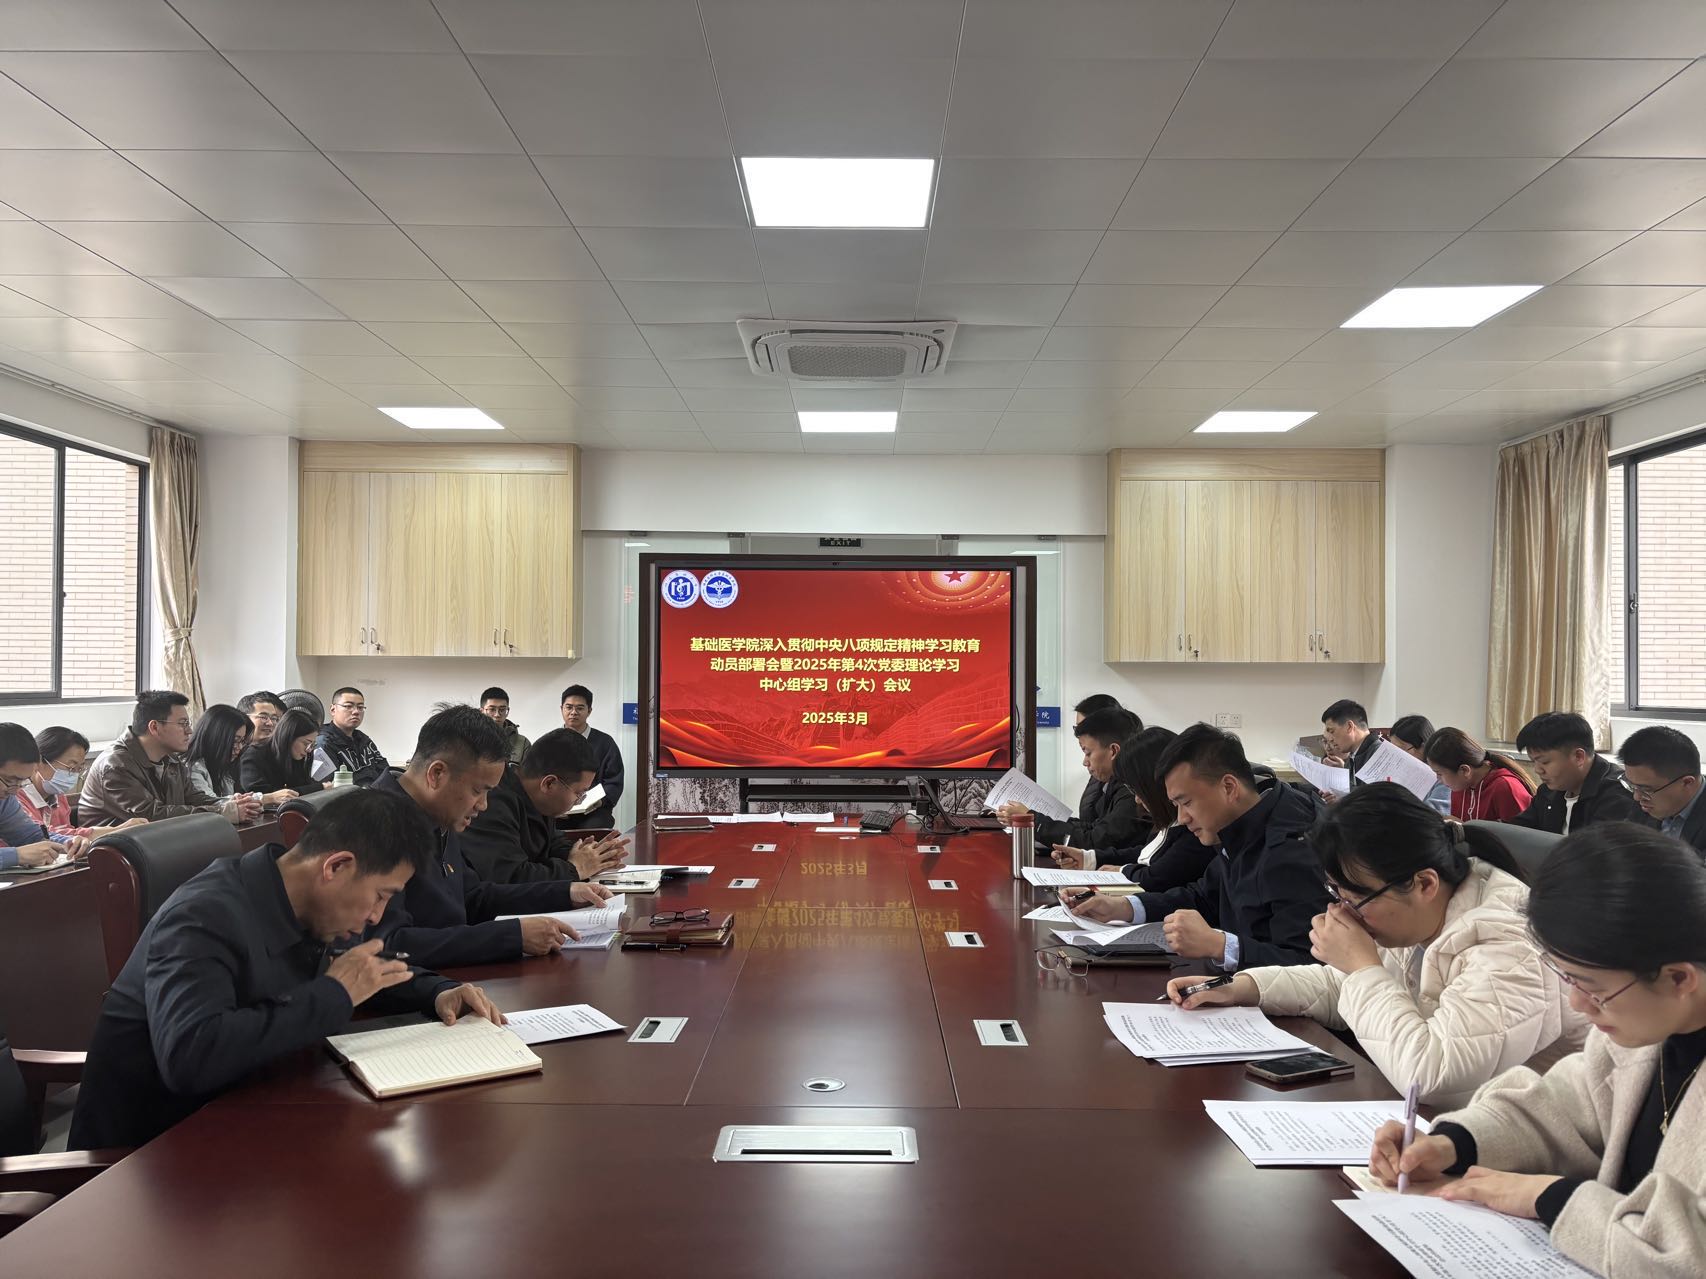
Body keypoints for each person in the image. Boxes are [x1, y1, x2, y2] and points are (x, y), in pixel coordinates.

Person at [67, 788, 504, 1151]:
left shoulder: (306, 902)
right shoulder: (202, 917)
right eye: (381, 895)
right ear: (336, 867)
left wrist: (436, 990)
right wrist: (333, 995)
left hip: (251, 1122)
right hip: (150, 1163)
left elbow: (359, 967)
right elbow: (191, 1056)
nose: (377, 916)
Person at [1369, 824, 1706, 1276]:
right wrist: (1454, 1145)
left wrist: (1546, 1196)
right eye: (1568, 978)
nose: (1577, 1003)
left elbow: (1691, 1254)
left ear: (1679, 978)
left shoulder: (1645, 1021)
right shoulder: (1647, 1028)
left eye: (1593, 988)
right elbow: (1565, 1107)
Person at [1167, 784, 1585, 1107]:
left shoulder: (1508, 943)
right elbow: (1341, 987)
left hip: (1529, 1153)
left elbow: (1431, 1075)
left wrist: (1362, 966)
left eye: (1354, 898)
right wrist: (1242, 987)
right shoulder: (1418, 909)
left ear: (1424, 884)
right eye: (1336, 894)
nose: (1343, 912)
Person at [1064, 723, 1326, 969]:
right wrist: (1123, 907)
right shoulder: (1240, 823)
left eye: (1186, 802)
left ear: (1229, 787)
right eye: (1176, 805)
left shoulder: (1291, 850)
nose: (1182, 818)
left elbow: (1309, 965)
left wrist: (1220, 946)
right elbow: (1203, 896)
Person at [373, 705, 613, 968]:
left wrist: (564, 893)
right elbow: (388, 947)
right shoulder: (374, 828)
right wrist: (512, 936)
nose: (484, 805)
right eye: (478, 791)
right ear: (437, 774)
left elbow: (474, 897)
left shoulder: (438, 813)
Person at [1051, 726, 1217, 894]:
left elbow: (1158, 877)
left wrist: (1122, 871)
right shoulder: (1170, 821)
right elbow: (1147, 852)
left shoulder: (1196, 829)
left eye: (1137, 791)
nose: (1137, 799)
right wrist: (1088, 858)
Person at [461, 729, 631, 884]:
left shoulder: (538, 801)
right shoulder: (493, 804)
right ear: (549, 783)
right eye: (579, 793)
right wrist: (575, 869)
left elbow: (551, 843)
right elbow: (511, 877)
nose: (579, 801)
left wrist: (587, 854)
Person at [79, 691, 259, 826]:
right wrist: (224, 812)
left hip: (160, 842)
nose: (190, 731)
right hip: (112, 853)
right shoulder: (115, 765)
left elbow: (195, 798)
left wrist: (231, 802)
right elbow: (151, 815)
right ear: (154, 727)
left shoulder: (172, 760)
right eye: (183, 724)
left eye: (188, 723)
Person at [996, 707, 1146, 852]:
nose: (1085, 762)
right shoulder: (1115, 784)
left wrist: (1032, 820)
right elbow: (1093, 828)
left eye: (1088, 753)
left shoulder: (1132, 792)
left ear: (1113, 751)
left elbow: (1094, 842)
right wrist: (1035, 819)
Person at [1508, 711, 1646, 834]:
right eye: (1533, 761)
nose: (1538, 770)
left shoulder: (1616, 795)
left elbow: (1596, 850)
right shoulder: (1549, 791)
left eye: (1544, 762)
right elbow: (1518, 830)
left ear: (1578, 756)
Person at [14, 727, 145, 839]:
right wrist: (117, 830)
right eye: (71, 767)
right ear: (39, 761)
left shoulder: (57, 796)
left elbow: (67, 833)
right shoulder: (16, 797)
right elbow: (42, 836)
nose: (74, 775)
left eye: (79, 769)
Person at [0, 723, 89, 868]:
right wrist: (16, 855)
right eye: (9, 781)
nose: (15, 792)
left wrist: (68, 842)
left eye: (22, 782)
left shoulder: (4, 800)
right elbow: (20, 851)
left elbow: (30, 836)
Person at [1619, 726, 1706, 857]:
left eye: (1646, 789)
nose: (1636, 797)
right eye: (1632, 785)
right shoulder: (1647, 798)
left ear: (1687, 782)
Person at [1422, 726, 1536, 823]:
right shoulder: (1460, 786)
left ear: (1465, 770)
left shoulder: (1504, 787)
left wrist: (1465, 829)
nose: (1437, 779)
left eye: (1439, 773)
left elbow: (1521, 838)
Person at [186, 704, 287, 810]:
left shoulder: (223, 768)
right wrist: (266, 798)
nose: (239, 747)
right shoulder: (192, 767)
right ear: (215, 736)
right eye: (235, 740)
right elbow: (212, 804)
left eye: (242, 741)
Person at [557, 685, 624, 829]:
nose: (573, 712)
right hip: (558, 809)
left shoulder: (605, 743)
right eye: (569, 707)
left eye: (580, 708)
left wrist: (599, 801)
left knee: (596, 826)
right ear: (562, 708)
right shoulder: (550, 742)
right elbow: (539, 779)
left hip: (594, 811)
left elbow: (614, 781)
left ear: (589, 711)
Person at [240, 707, 324, 799]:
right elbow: (264, 795)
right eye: (306, 743)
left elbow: (304, 784)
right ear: (289, 737)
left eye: (312, 745)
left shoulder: (295, 758)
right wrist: (319, 788)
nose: (309, 749)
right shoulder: (254, 755)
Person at [318, 687, 389, 786]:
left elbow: (385, 772)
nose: (356, 712)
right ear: (333, 709)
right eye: (348, 706)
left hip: (374, 793)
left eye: (360, 707)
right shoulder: (323, 742)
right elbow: (328, 786)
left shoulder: (363, 739)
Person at [1389, 715, 1452, 815]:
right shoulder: (1400, 768)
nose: (1396, 755)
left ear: (1423, 747)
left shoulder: (1443, 773)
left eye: (1400, 749)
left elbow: (1435, 811)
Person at [1321, 698, 1382, 791]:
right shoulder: (1354, 755)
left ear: (1349, 727)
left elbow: (1374, 796)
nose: (1330, 739)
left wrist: (1342, 793)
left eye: (1332, 731)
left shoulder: (1379, 755)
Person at [480, 686, 531, 766]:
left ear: (507, 711)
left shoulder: (522, 743)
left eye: (502, 709)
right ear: (482, 711)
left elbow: (528, 773)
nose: (497, 714)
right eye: (492, 709)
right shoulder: (470, 739)